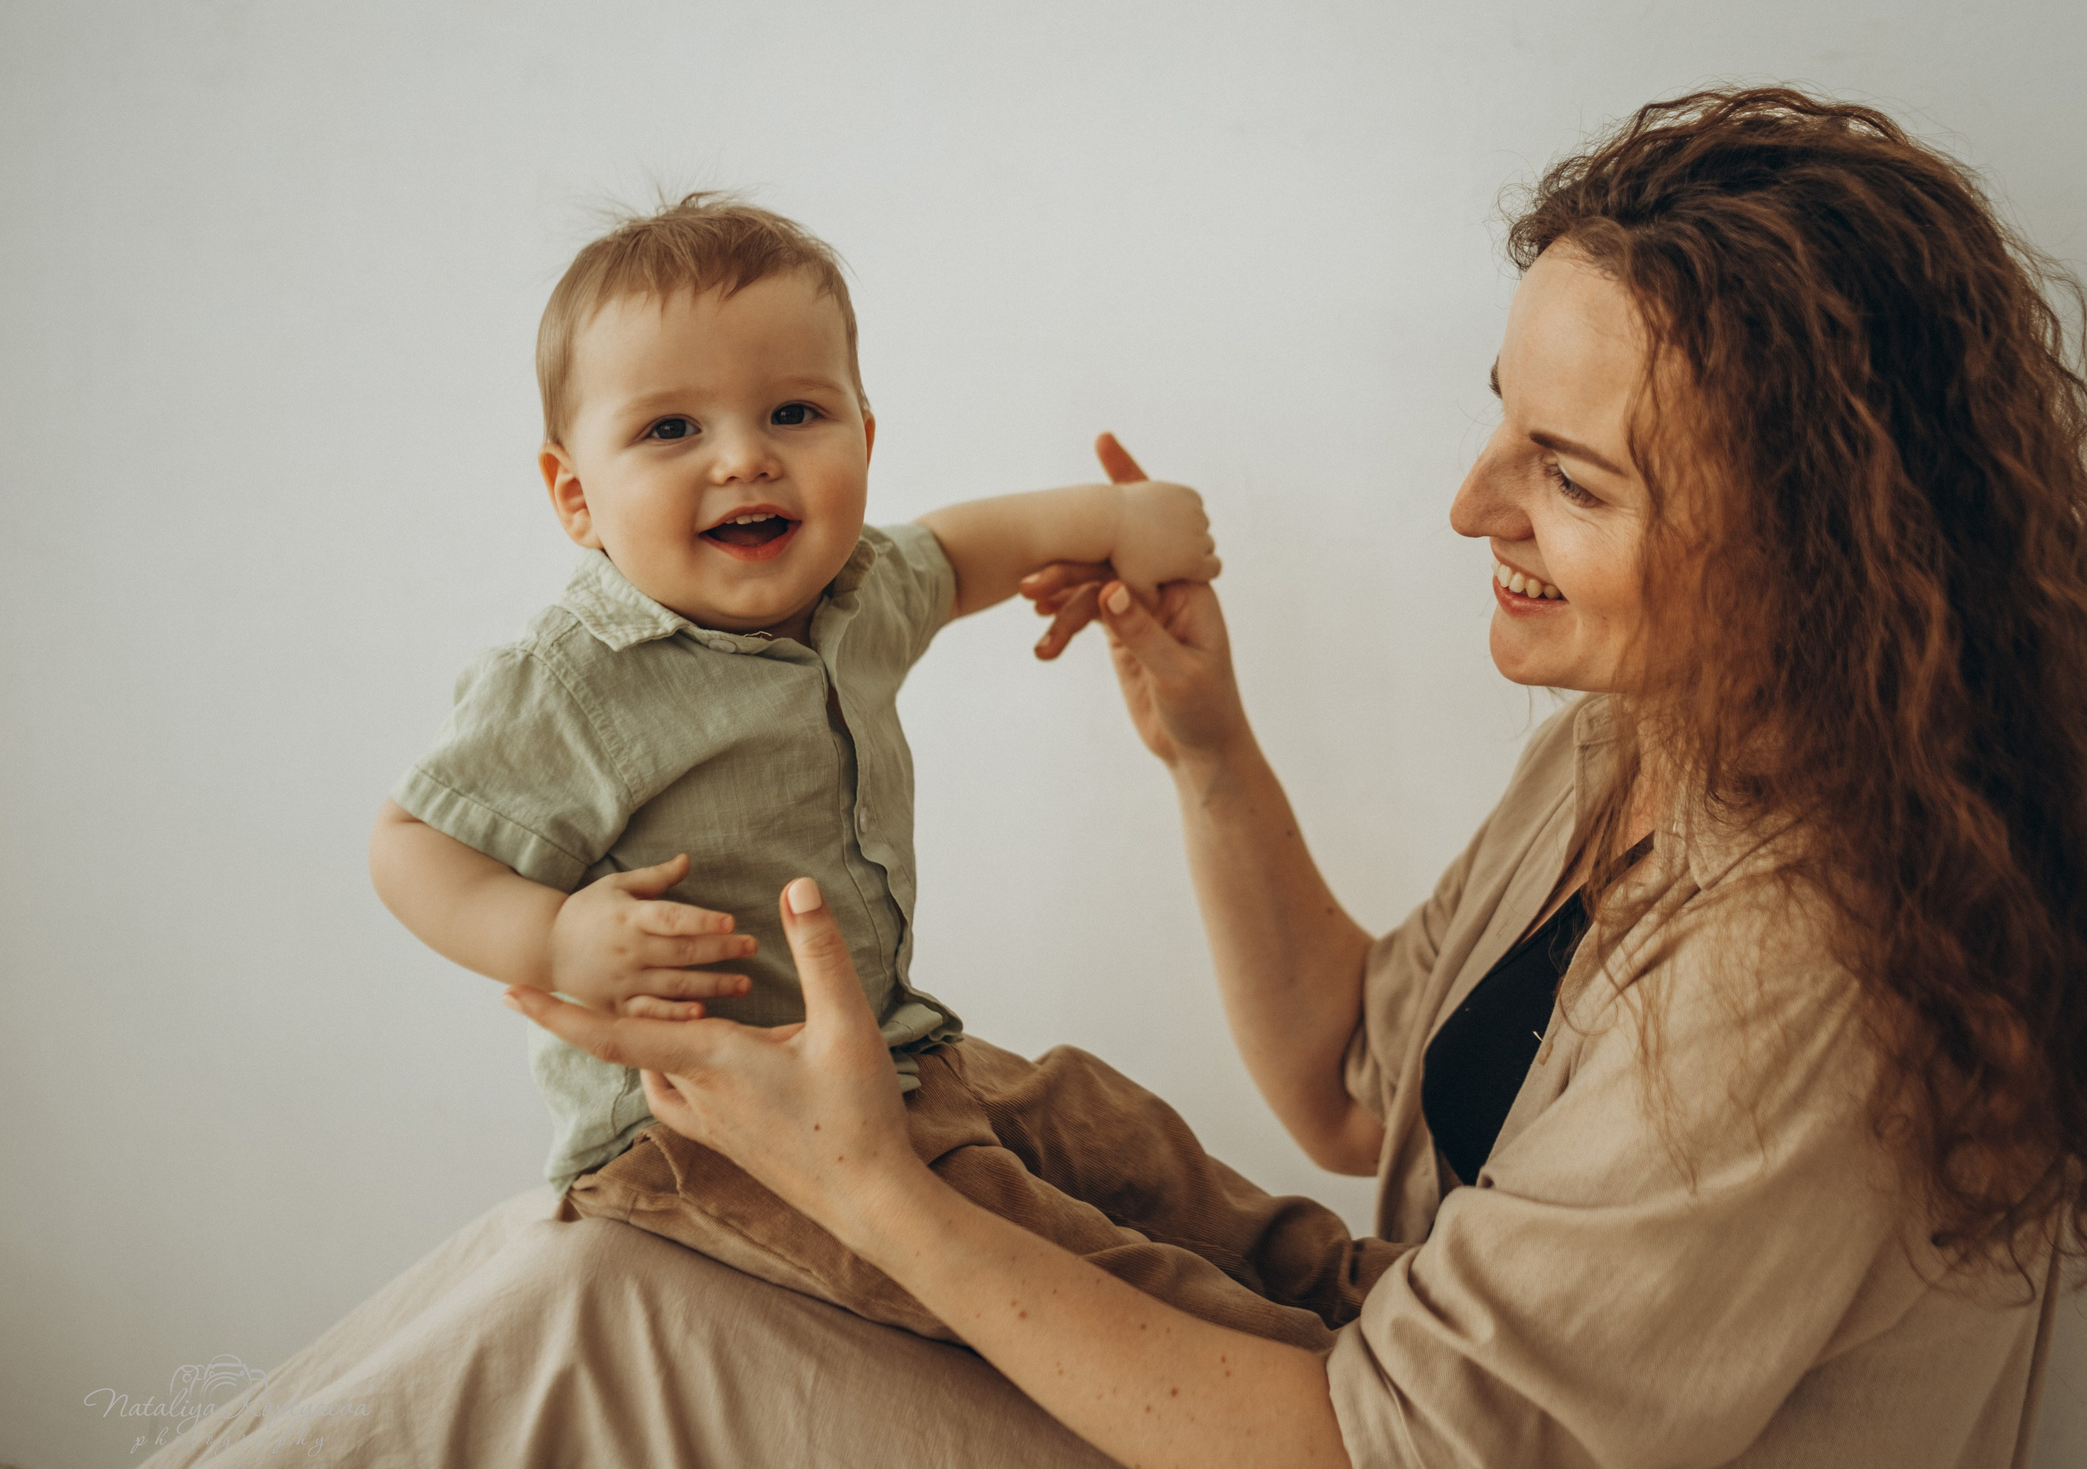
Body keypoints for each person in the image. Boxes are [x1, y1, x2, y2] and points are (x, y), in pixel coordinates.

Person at [70, 89, 2087, 1469]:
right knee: (584, 1245)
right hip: (1362, 1413)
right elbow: (1344, 1082)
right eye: (1499, 420)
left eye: (1568, 477)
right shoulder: (1646, 740)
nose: (1466, 502)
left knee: (605, 1328)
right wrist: (1205, 748)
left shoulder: (1808, 961)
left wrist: (884, 1190)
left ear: (1805, 535)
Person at [367, 193, 1388, 1352]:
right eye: (669, 431)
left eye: (793, 412)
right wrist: (549, 940)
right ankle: (1297, 1369)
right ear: (573, 496)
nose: (744, 457)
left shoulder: (855, 593)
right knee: (1035, 1248)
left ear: (864, 437)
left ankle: (1366, 1287)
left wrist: (1113, 520)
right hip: (706, 1128)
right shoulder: (576, 682)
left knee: (1107, 1130)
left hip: (896, 1055)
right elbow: (409, 846)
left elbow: (962, 550)